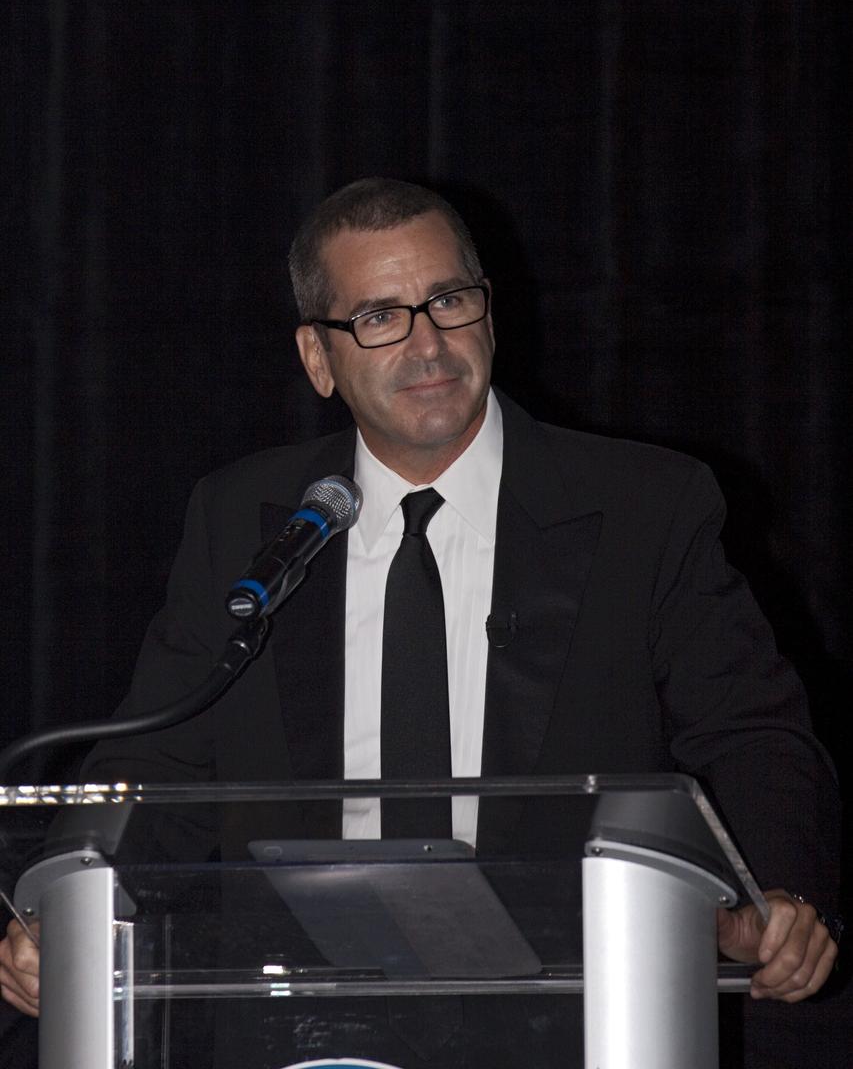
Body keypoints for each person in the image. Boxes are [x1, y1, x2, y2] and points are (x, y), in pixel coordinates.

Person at [0, 178, 841, 1062]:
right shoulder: (246, 518)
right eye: (377, 317)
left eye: (447, 300)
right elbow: (155, 764)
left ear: (488, 314)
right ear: (317, 358)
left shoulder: (643, 505)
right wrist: (62, 909)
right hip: (297, 1016)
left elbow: (750, 733)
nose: (426, 343)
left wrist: (776, 896)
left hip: (578, 1013)